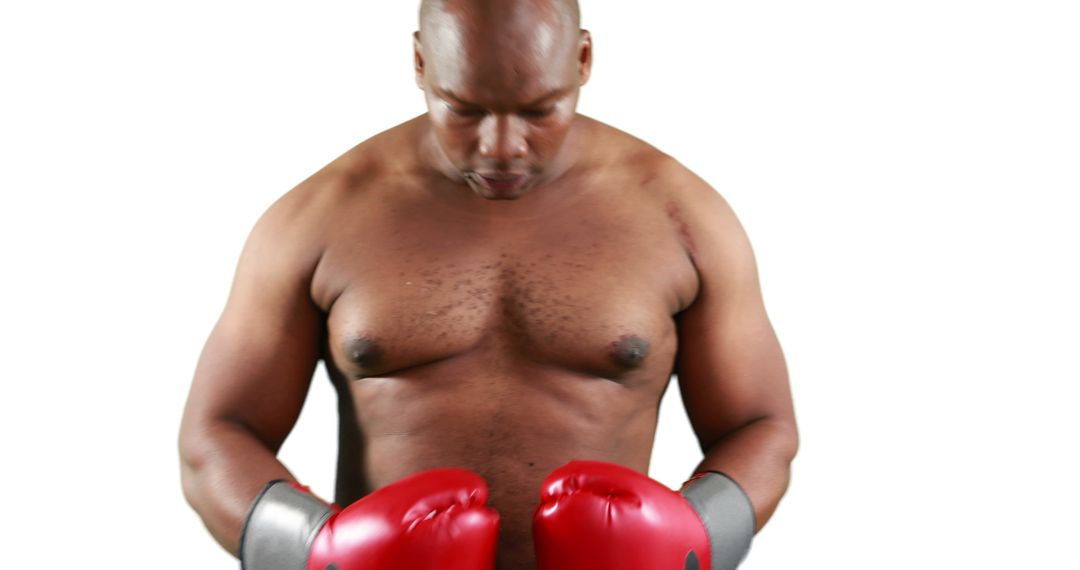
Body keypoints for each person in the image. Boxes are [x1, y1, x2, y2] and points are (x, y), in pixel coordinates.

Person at [177, 0, 798, 568]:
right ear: (420, 62)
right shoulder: (319, 218)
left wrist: (695, 536)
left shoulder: (682, 217)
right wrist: (314, 548)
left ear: (583, 59)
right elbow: (217, 434)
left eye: (538, 110)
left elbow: (761, 426)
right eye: (464, 109)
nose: (501, 147)